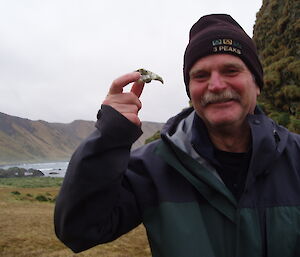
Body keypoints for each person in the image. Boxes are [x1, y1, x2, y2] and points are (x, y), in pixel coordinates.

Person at [54, 14, 300, 257]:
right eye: (200, 76)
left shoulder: (296, 158)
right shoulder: (151, 168)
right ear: (190, 91)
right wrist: (110, 136)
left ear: (257, 83)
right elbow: (79, 230)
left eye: (231, 70)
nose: (215, 85)